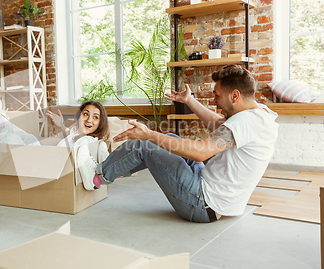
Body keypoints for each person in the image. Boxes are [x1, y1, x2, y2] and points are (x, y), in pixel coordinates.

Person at [77, 65, 279, 222]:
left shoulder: (247, 121)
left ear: (235, 95)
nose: (215, 101)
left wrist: (149, 134)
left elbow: (201, 153)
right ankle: (113, 166)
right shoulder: (257, 114)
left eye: (217, 95)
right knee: (172, 139)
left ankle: (97, 177)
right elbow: (217, 124)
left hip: (203, 203)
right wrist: (189, 101)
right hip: (211, 193)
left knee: (145, 144)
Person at [0, 100, 110, 190]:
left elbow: (83, 154)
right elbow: (67, 133)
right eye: (86, 114)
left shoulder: (89, 141)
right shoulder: (77, 131)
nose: (89, 119)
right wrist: (61, 125)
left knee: (14, 140)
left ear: (100, 123)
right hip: (44, 154)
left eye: (95, 117)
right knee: (28, 137)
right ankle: (2, 122)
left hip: (46, 164)